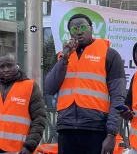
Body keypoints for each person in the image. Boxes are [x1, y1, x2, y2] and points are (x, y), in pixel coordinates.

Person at [44, 13, 126, 154]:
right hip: (66, 128)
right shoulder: (62, 56)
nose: (79, 31)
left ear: (91, 28)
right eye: (74, 29)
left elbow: (118, 97)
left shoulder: (110, 55)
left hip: (96, 128)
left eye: (83, 27)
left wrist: (112, 133)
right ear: (69, 33)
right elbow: (50, 88)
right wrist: (64, 58)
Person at [0, 52, 46, 154]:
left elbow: (39, 119)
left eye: (9, 65)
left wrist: (29, 146)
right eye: (2, 66)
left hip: (20, 150)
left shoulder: (30, 87)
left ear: (17, 64)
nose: (6, 69)